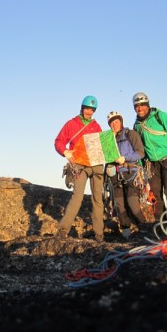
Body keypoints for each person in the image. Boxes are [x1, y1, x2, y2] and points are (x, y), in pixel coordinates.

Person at [54, 95, 105, 241]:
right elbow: (59, 141)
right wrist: (65, 151)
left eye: (92, 110)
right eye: (87, 108)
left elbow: (102, 146)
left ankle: (99, 234)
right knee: (77, 196)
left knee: (97, 199)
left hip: (96, 165)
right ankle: (63, 230)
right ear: (82, 108)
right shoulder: (71, 124)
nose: (89, 112)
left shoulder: (97, 126)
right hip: (79, 165)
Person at [132, 92, 167, 221]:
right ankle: (160, 224)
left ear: (148, 105)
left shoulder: (160, 116)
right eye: (137, 106)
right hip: (151, 164)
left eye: (142, 105)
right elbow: (140, 148)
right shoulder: (137, 126)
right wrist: (141, 168)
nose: (140, 108)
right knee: (156, 194)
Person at [105, 111, 148, 238]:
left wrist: (125, 158)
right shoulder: (109, 140)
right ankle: (126, 233)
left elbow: (140, 153)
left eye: (116, 121)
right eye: (111, 123)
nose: (114, 124)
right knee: (120, 205)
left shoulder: (131, 134)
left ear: (121, 122)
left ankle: (146, 229)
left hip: (131, 172)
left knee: (132, 203)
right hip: (115, 176)